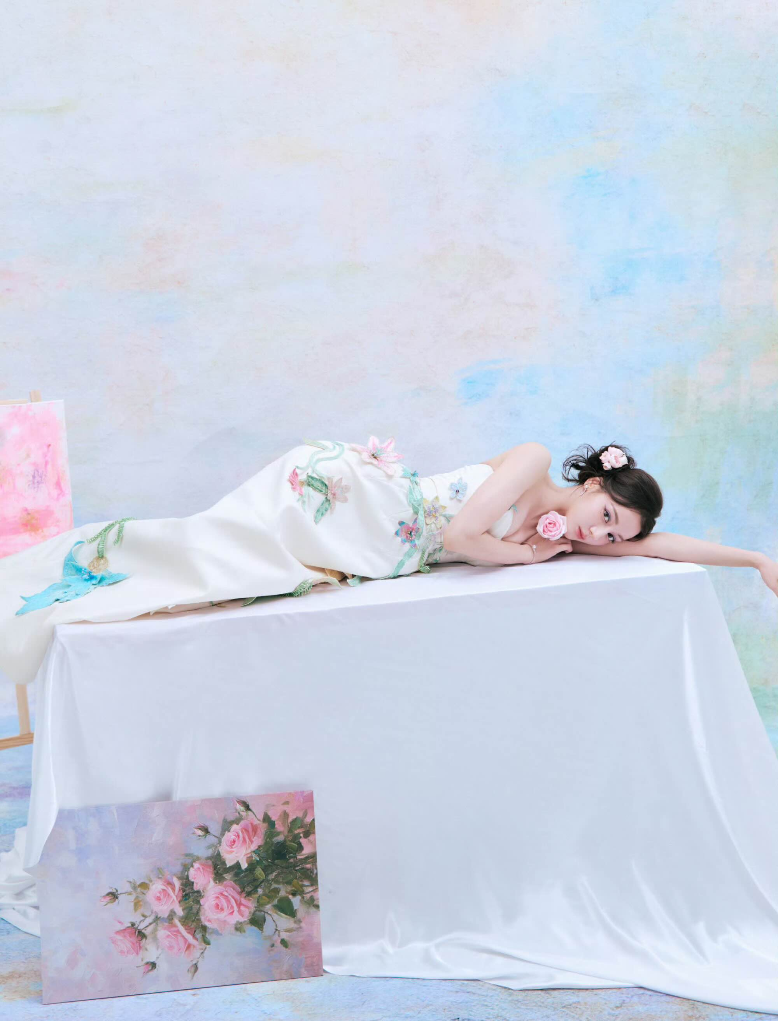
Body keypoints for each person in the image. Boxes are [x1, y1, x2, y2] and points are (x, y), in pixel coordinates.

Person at [0, 435, 775, 688]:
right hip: (360, 504)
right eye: (605, 517)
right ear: (593, 484)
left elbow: (662, 544)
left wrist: (751, 557)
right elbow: (464, 534)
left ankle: (89, 581)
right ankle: (59, 575)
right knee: (216, 554)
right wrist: (519, 559)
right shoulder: (533, 462)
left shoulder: (565, 536)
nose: (601, 538)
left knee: (238, 579)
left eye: (612, 538)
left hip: (383, 551)